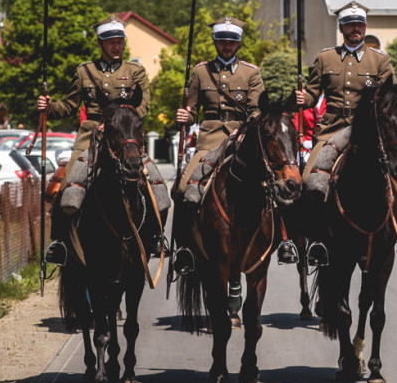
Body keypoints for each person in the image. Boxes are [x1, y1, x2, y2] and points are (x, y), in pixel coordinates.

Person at [295, 1, 397, 259]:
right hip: (332, 129)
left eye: (359, 24)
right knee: (309, 180)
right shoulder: (326, 58)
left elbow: (390, 99)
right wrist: (302, 98)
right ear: (342, 27)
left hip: (369, 132)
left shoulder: (380, 61)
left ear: (365, 26)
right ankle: (315, 240)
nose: (355, 29)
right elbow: (313, 95)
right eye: (350, 25)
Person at [36, 15, 151, 266]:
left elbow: (143, 107)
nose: (116, 46)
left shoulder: (135, 72)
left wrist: (119, 119)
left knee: (156, 184)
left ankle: (154, 237)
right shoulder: (84, 71)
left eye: (120, 41)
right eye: (110, 42)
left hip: (124, 136)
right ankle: (59, 244)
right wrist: (48, 107)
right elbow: (68, 105)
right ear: (100, 43)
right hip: (90, 136)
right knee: (65, 187)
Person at [173, 16, 268, 270]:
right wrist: (185, 115)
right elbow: (192, 110)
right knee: (183, 189)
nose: (227, 45)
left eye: (232, 41)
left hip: (242, 138)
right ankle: (183, 248)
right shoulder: (200, 71)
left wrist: (246, 131)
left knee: (273, 187)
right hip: (210, 139)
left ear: (238, 43)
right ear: (215, 41)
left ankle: (282, 241)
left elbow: (256, 110)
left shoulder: (252, 73)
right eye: (223, 41)